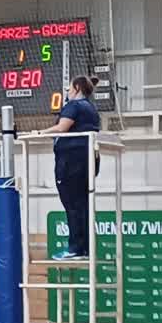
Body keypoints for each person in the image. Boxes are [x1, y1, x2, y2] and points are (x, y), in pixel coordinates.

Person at [42, 75, 102, 260]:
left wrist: (40, 132)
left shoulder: (74, 106)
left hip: (71, 163)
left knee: (73, 205)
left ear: (77, 88)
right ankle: (85, 248)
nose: (67, 91)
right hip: (87, 161)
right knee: (82, 205)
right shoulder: (91, 108)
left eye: (69, 88)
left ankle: (75, 247)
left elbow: (61, 128)